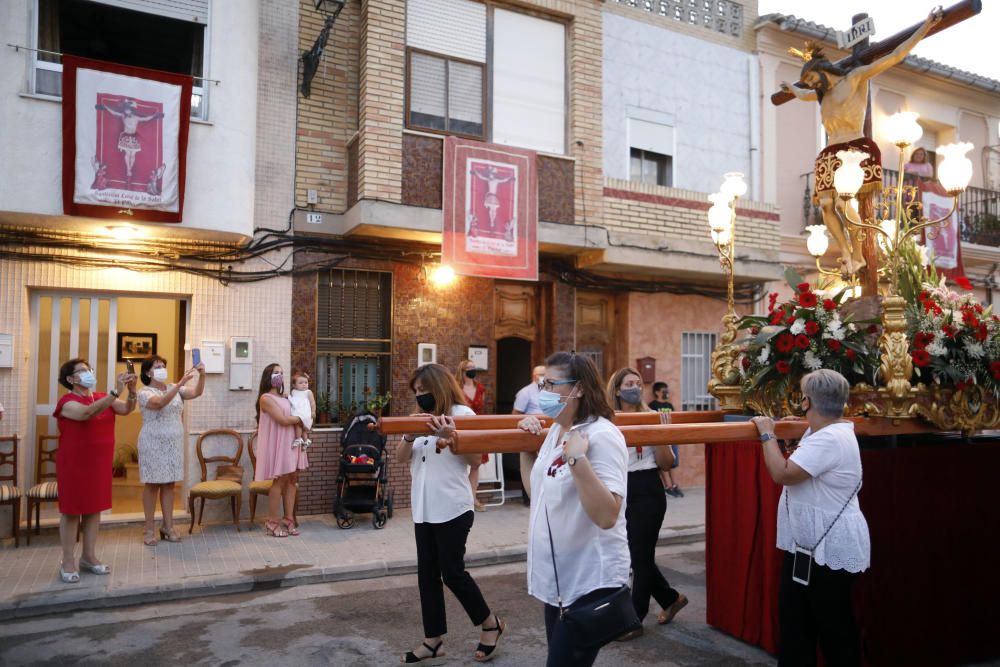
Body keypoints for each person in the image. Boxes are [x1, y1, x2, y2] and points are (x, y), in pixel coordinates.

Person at [780, 8, 943, 274]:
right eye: (807, 82)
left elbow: (895, 56)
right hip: (830, 152)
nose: (810, 85)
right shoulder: (822, 95)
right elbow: (801, 94)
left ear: (822, 70)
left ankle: (859, 254)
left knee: (845, 204)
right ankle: (845, 252)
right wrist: (794, 89)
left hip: (854, 148)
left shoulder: (854, 78)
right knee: (826, 205)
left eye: (811, 78)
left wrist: (924, 28)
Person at [751, 369, 871, 666]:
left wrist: (767, 431)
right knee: (797, 625)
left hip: (827, 548)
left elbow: (783, 474)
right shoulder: (826, 430)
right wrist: (796, 429)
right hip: (810, 545)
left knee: (834, 631)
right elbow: (806, 449)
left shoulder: (829, 438)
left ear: (805, 402)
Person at [518, 352, 630, 667]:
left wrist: (578, 460)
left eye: (552, 384)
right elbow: (536, 492)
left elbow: (607, 515)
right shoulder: (557, 430)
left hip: (589, 581)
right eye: (542, 383)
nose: (543, 392)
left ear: (578, 388)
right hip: (559, 581)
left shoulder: (602, 436)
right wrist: (528, 446)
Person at [399, 363, 505, 664]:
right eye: (416, 392)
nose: (420, 396)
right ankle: (433, 640)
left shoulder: (463, 415)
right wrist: (408, 435)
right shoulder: (418, 419)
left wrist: (452, 435)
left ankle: (490, 624)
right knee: (426, 576)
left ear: (439, 386)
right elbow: (401, 458)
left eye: (424, 390)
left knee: (453, 573)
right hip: (423, 508)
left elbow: (475, 460)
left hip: (453, 507)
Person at [607, 369, 687, 639]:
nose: (635, 387)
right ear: (617, 389)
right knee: (634, 554)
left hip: (647, 488)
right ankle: (670, 598)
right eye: (629, 383)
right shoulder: (607, 420)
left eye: (638, 383)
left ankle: (633, 618)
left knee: (640, 557)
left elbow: (666, 463)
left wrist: (662, 433)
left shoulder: (653, 417)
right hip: (619, 488)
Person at [53, 358, 137, 583]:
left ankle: (88, 557)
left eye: (89, 369)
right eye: (82, 371)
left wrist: (131, 390)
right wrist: (114, 391)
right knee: (72, 511)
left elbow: (128, 409)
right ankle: (68, 561)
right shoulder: (67, 402)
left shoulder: (103, 397)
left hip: (98, 464)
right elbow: (86, 413)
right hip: (74, 464)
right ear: (70, 379)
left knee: (93, 509)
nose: (89, 372)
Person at [137, 355, 206, 546]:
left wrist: (203, 374)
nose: (162, 369)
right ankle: (148, 529)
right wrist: (180, 383)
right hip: (152, 442)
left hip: (173, 443)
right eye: (157, 366)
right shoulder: (144, 392)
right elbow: (159, 403)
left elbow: (197, 392)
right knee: (152, 485)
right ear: (147, 372)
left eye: (163, 365)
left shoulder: (175, 388)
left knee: (169, 485)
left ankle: (168, 526)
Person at [254, 363, 307, 538]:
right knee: (280, 480)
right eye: (276, 373)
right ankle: (272, 521)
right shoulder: (266, 398)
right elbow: (283, 420)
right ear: (268, 376)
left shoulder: (285, 397)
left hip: (292, 441)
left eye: (282, 373)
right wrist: (300, 418)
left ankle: (289, 518)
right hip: (280, 444)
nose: (280, 376)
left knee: (292, 479)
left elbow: (298, 407)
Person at [456, 359, 488, 512]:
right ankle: (461, 498)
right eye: (469, 368)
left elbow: (482, 408)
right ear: (462, 371)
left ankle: (472, 497)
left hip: (477, 428)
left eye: (474, 368)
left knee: (476, 464)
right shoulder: (457, 388)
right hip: (461, 428)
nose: (472, 370)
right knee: (460, 463)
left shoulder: (480, 388)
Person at [648, 382, 683, 498]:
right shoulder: (652, 406)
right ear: (657, 392)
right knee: (664, 464)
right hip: (660, 438)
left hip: (671, 436)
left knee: (674, 462)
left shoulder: (669, 405)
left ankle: (675, 485)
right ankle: (668, 486)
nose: (666, 392)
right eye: (664, 390)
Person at [288, 370, 316, 451]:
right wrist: (287, 396)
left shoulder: (308, 392)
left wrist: (313, 411)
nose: (304, 384)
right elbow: (292, 400)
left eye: (306, 382)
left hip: (305, 412)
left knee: (299, 425)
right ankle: (306, 441)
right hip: (298, 411)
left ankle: (298, 438)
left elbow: (312, 402)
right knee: (303, 429)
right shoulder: (294, 392)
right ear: (294, 385)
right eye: (301, 383)